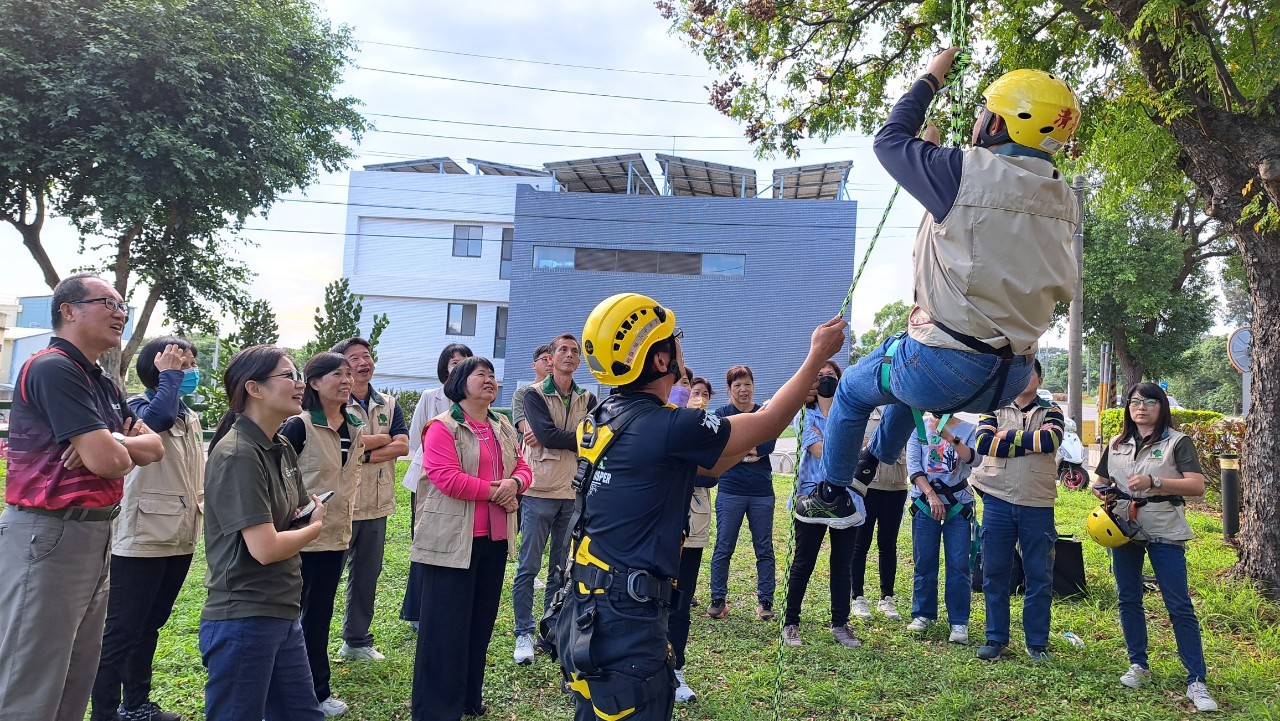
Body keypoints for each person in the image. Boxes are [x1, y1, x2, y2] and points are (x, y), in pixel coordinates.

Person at [809, 47, 1080, 525]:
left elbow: (890, 141)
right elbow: (978, 230)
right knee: (907, 372)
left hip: (945, 365)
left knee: (852, 388)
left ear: (997, 124)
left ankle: (831, 491)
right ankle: (871, 463)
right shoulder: (1065, 197)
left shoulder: (958, 171)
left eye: (984, 112)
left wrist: (932, 77)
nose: (977, 120)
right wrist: (932, 155)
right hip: (1012, 374)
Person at [559, 292, 846, 721]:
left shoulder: (602, 417)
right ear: (660, 359)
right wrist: (816, 356)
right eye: (674, 338)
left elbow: (712, 464)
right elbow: (766, 423)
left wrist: (764, 421)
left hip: (589, 606)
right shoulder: (668, 426)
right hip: (627, 618)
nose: (681, 345)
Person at [0, 273, 165, 721]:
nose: (120, 313)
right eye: (108, 303)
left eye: (122, 305)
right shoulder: (53, 367)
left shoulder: (103, 382)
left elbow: (154, 448)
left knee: (76, 675)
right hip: (49, 533)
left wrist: (113, 440)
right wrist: (111, 447)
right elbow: (107, 461)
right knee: (31, 678)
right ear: (68, 311)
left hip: (95, 532)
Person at [199, 345, 329, 721]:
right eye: (289, 376)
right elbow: (266, 548)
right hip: (245, 615)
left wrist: (305, 521)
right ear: (254, 389)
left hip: (281, 608)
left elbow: (295, 514)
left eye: (298, 376)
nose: (300, 384)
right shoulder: (239, 453)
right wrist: (315, 527)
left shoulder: (280, 445)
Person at [411, 356, 530, 720]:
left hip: (493, 539)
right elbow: (447, 478)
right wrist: (500, 491)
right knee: (444, 628)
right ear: (460, 382)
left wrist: (515, 483)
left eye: (493, 375)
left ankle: (467, 698)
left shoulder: (501, 424)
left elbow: (523, 467)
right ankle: (436, 709)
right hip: (452, 541)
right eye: (481, 374)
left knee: (479, 623)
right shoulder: (442, 426)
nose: (490, 380)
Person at [92, 337, 204, 721]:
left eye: (190, 365)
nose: (188, 372)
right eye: (180, 365)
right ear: (157, 368)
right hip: (140, 537)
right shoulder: (139, 407)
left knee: (150, 626)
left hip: (179, 535)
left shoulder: (188, 416)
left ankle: (136, 705)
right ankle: (104, 713)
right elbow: (156, 424)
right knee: (121, 632)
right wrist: (168, 376)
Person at [1091, 383, 1218, 712]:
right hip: (1124, 527)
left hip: (1164, 525)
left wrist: (1155, 482)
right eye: (1135, 402)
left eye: (1149, 401)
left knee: (1178, 604)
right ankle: (1138, 664)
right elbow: (1101, 480)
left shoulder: (1177, 441)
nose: (1141, 407)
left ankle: (1196, 680)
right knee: (1128, 597)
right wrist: (1101, 490)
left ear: (1161, 406)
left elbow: (1197, 486)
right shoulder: (1117, 443)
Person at [279, 352, 366, 717]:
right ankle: (295, 693)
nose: (346, 380)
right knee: (289, 618)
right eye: (337, 374)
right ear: (314, 382)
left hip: (336, 536)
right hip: (299, 538)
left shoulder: (355, 426)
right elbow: (277, 477)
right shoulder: (298, 426)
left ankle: (316, 690)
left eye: (348, 374)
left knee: (318, 617)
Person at [512, 334, 597, 665]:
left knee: (560, 569)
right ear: (550, 357)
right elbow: (547, 434)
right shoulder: (533, 394)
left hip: (573, 493)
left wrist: (560, 438)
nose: (570, 355)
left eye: (575, 351)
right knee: (528, 566)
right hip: (539, 490)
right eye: (563, 350)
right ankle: (523, 632)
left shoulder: (588, 398)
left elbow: (595, 438)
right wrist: (577, 439)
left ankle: (552, 631)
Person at [971, 359, 1063, 662]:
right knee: (995, 572)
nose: (1025, 378)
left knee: (1039, 575)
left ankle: (1036, 642)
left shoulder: (1052, 411)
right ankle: (996, 638)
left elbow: (1050, 439)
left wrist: (1005, 436)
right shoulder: (993, 409)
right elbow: (983, 444)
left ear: (1039, 379)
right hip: (997, 499)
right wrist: (1030, 443)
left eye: (1030, 373)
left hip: (1037, 501)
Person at [332, 337, 410, 663]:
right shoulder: (333, 401)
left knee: (367, 575)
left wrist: (361, 452)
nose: (363, 363)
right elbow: (335, 446)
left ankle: (356, 641)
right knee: (325, 577)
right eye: (354, 358)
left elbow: (402, 445)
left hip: (377, 504)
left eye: (366, 356)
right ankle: (304, 639)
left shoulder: (388, 403)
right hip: (339, 505)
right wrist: (379, 442)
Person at [782, 360, 863, 649]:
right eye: (820, 376)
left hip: (847, 500)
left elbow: (858, 450)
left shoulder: (851, 414)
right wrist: (848, 448)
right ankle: (790, 622)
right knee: (803, 562)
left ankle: (840, 623)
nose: (826, 379)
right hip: (811, 499)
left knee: (842, 564)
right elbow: (819, 451)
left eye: (831, 375)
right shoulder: (804, 414)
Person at [401, 343, 474, 628]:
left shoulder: (476, 401)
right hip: (427, 480)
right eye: (454, 362)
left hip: (461, 482)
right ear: (445, 367)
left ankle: (443, 609)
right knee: (425, 542)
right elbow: (416, 439)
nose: (459, 367)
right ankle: (416, 611)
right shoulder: (430, 397)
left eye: (465, 362)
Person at [707, 365, 778, 621]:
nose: (743, 389)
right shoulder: (721, 414)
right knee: (724, 546)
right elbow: (721, 446)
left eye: (747, 384)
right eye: (737, 385)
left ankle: (765, 602)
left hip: (761, 492)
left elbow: (769, 443)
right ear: (729, 389)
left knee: (764, 548)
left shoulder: (763, 413)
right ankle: (718, 600)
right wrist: (747, 450)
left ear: (753, 386)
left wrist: (740, 449)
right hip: (730, 490)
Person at [904, 414, 978, 645]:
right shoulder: (918, 427)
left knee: (958, 564)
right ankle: (922, 614)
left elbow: (974, 460)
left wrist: (948, 436)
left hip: (958, 502)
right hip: (925, 501)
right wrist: (931, 495)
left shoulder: (969, 429)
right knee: (924, 560)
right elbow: (914, 467)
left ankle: (959, 621)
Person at [667, 367, 707, 703]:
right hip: (653, 529)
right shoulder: (651, 420)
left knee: (680, 602)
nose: (682, 388)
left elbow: (711, 473)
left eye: (686, 383)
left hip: (691, 527)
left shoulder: (699, 423)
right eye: (677, 382)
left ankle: (675, 668)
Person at [850, 407, 908, 622]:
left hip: (896, 486)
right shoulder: (864, 410)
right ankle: (857, 596)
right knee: (860, 544)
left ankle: (887, 597)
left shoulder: (905, 410)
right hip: (866, 487)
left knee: (888, 545)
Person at [512, 344, 553, 439]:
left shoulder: (560, 393)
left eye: (552, 359)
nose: (550, 363)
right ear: (534, 365)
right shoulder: (522, 393)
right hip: (528, 446)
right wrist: (544, 434)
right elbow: (523, 426)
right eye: (545, 359)